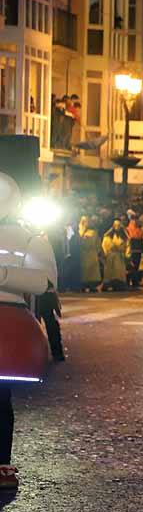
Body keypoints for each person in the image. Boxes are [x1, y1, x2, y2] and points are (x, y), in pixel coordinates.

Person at [0, 171, 57, 490]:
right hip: (12, 322)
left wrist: (3, 275)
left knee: (0, 401)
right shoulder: (31, 239)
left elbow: (42, 281)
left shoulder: (30, 239)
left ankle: (2, 463)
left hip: (9, 326)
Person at [100, 219, 128, 291]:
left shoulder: (124, 237)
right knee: (110, 272)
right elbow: (104, 246)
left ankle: (119, 285)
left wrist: (127, 255)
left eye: (118, 226)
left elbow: (127, 246)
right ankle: (108, 284)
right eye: (115, 225)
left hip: (119, 257)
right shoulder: (107, 236)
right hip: (110, 257)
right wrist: (105, 255)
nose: (117, 227)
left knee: (119, 272)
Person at [78, 216, 101, 292]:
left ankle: (92, 285)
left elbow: (97, 243)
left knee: (92, 270)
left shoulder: (93, 232)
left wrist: (97, 252)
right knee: (84, 270)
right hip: (83, 254)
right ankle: (83, 285)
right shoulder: (79, 232)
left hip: (91, 254)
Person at [125, 214, 143, 288]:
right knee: (131, 266)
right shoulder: (130, 229)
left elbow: (141, 240)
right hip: (132, 250)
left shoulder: (138, 229)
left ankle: (134, 281)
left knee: (135, 267)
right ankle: (131, 281)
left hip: (136, 250)